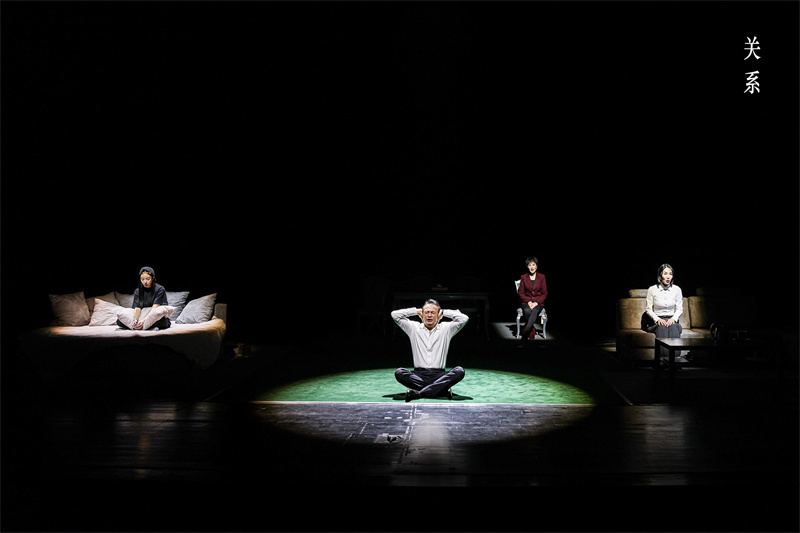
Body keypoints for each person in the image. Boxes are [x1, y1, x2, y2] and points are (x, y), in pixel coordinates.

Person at [391, 299, 468, 402]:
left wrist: (443, 312)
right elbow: (394, 315)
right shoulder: (413, 328)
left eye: (433, 312)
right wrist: (416, 311)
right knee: (400, 372)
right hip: (418, 375)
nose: (429, 315)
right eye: (426, 312)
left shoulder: (446, 328)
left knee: (459, 371)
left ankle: (419, 393)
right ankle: (441, 389)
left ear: (438, 316)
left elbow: (464, 318)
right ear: (422, 315)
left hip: (439, 375)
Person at [645, 263, 684, 366]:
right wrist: (657, 319)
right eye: (665, 273)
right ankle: (662, 361)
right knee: (662, 326)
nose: (668, 276)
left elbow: (679, 309)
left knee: (673, 326)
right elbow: (648, 309)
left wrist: (673, 319)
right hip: (656, 322)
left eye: (670, 274)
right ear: (660, 275)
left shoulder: (677, 289)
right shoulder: (652, 289)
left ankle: (675, 361)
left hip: (672, 320)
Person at [117, 266, 170, 330]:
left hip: (154, 317)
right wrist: (135, 320)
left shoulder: (160, 289)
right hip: (142, 316)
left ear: (153, 277)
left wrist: (144, 320)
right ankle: (142, 326)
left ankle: (144, 326)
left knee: (163, 322)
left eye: (148, 279)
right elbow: (137, 308)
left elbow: (155, 307)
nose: (145, 282)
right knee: (119, 321)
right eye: (142, 279)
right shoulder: (138, 291)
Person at [517, 256, 548, 340]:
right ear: (527, 266)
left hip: (538, 302)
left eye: (533, 265)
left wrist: (536, 302)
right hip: (526, 301)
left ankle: (526, 331)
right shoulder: (524, 277)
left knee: (534, 311)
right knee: (527, 310)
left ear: (536, 266)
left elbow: (544, 293)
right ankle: (532, 328)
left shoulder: (542, 277)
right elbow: (521, 292)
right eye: (529, 265)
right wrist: (529, 301)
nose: (532, 267)